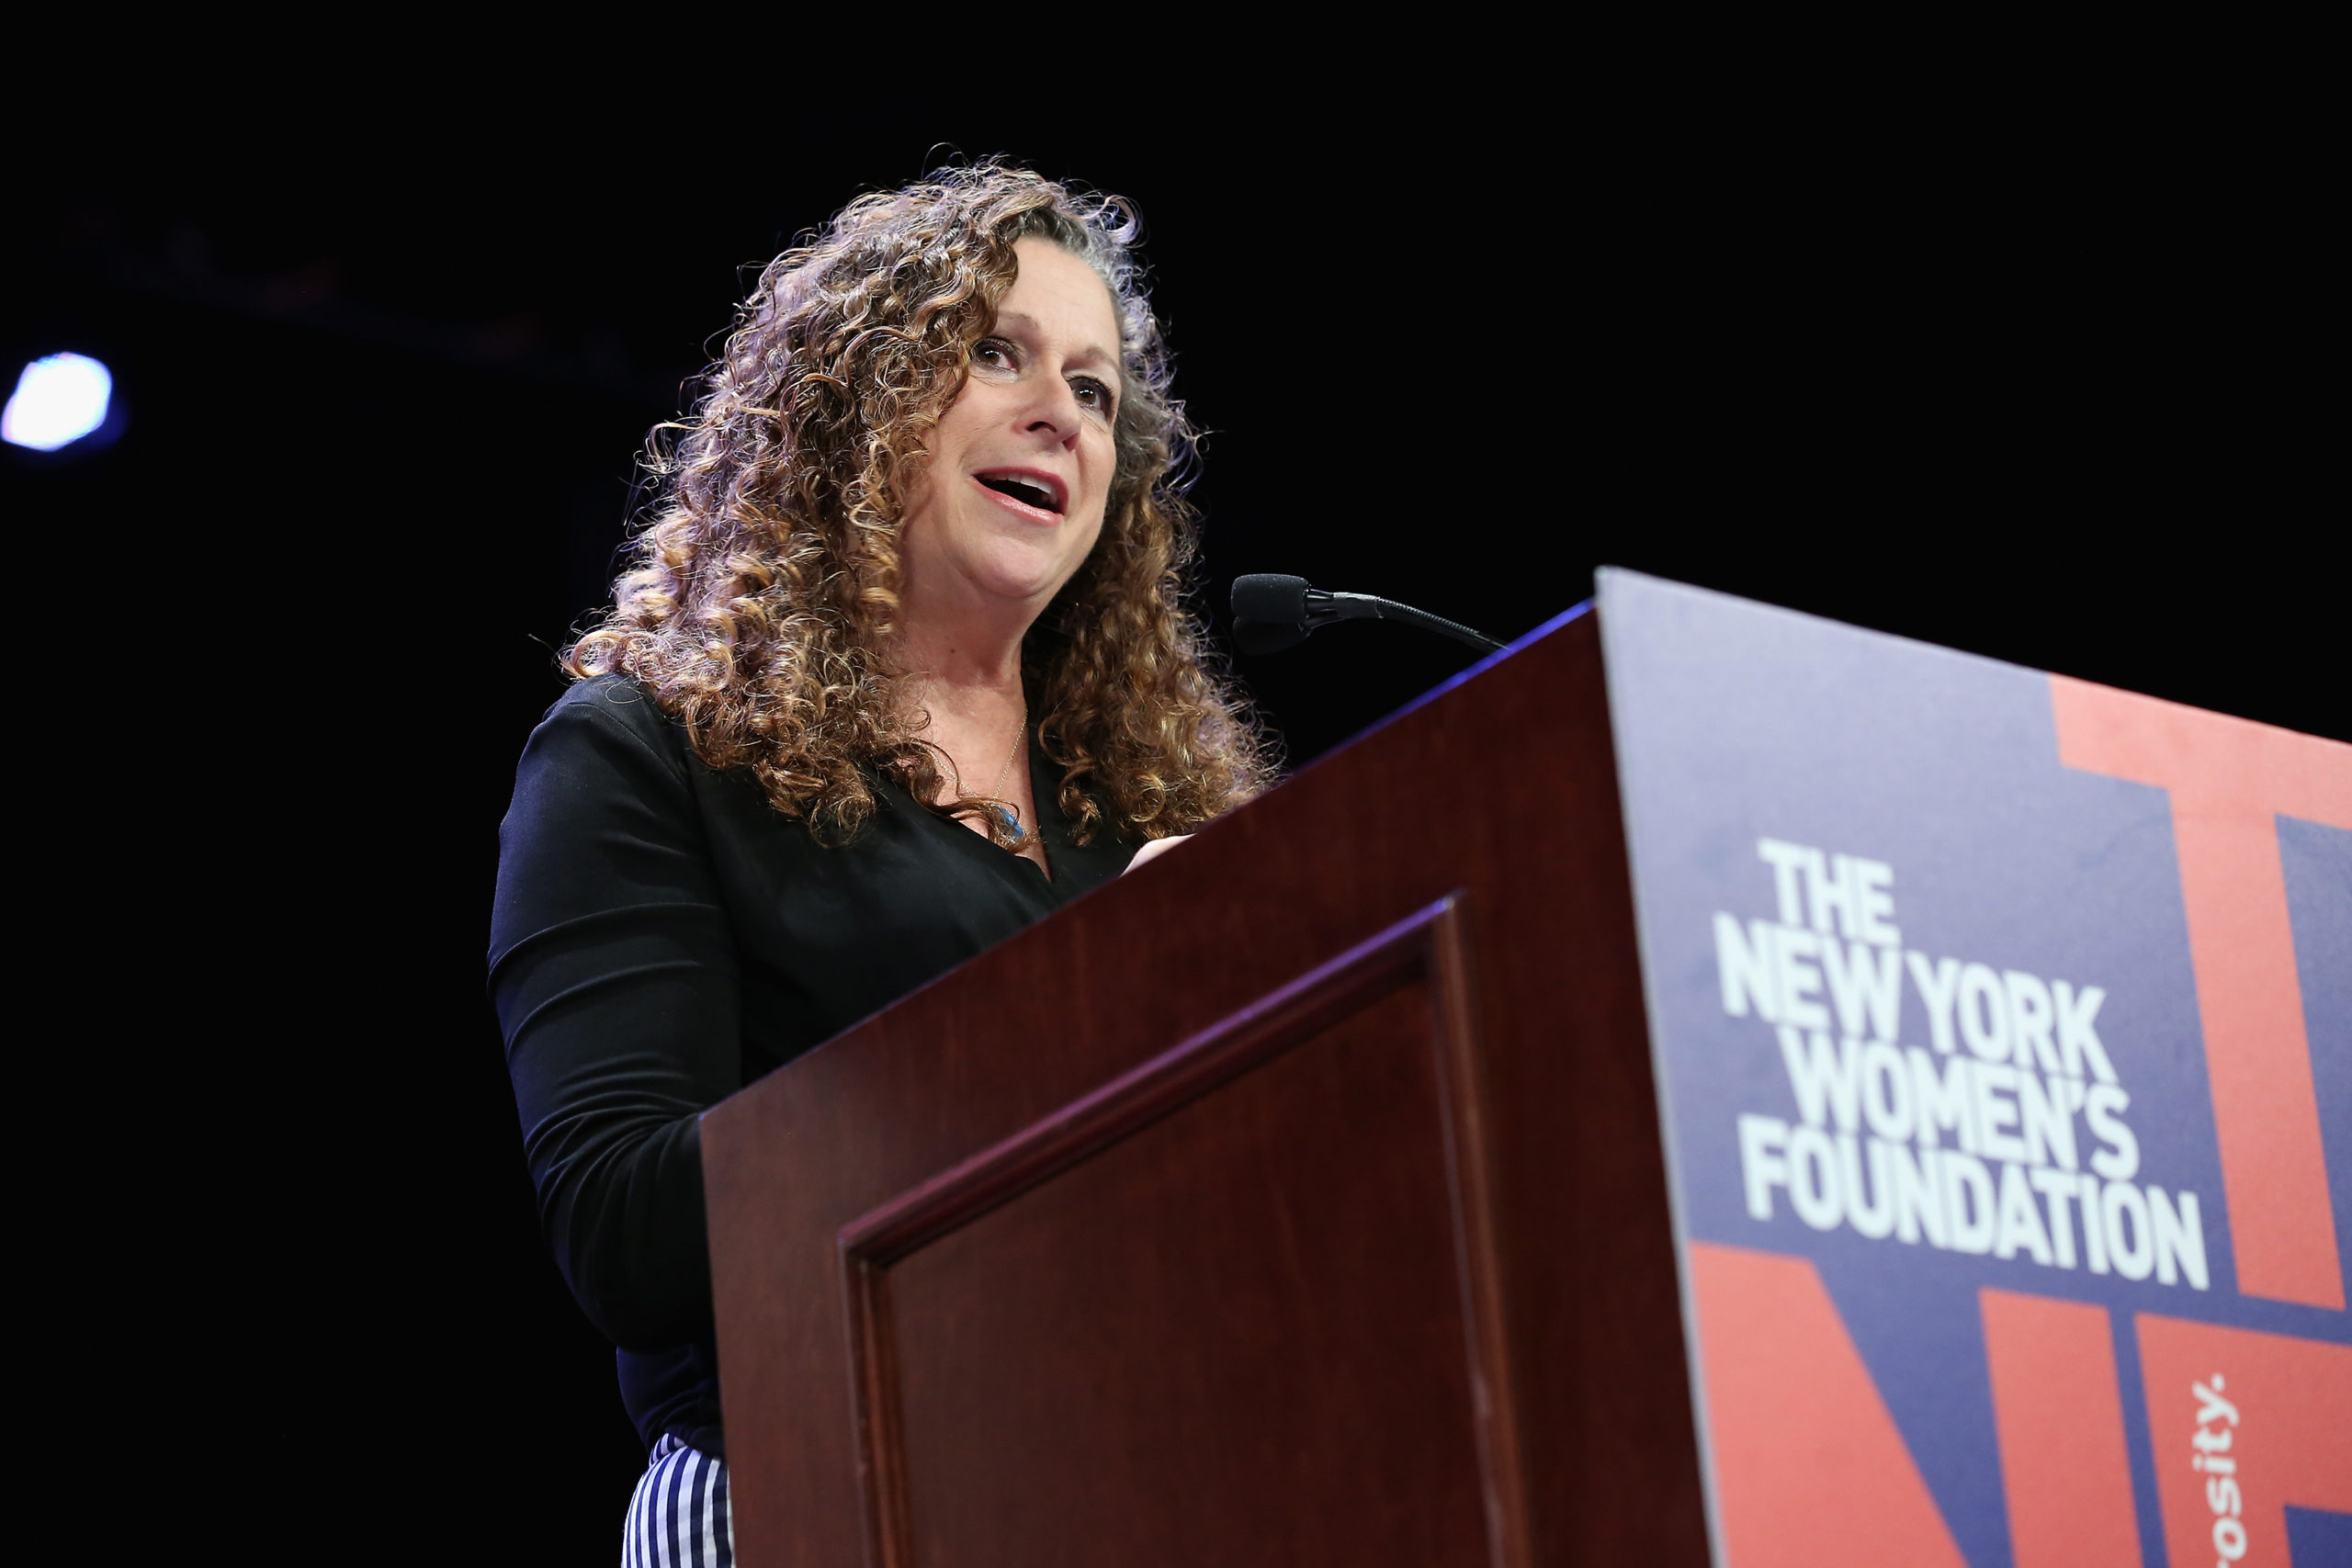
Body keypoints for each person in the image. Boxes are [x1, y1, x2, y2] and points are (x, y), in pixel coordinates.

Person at [488, 163, 1272, 1564]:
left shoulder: (1148, 811)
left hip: (1150, 1486)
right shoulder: (653, 754)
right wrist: (1093, 1000)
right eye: (993, 353)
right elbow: (625, 1227)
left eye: (1095, 391)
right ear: (857, 404)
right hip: (807, 1486)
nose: (1059, 414)